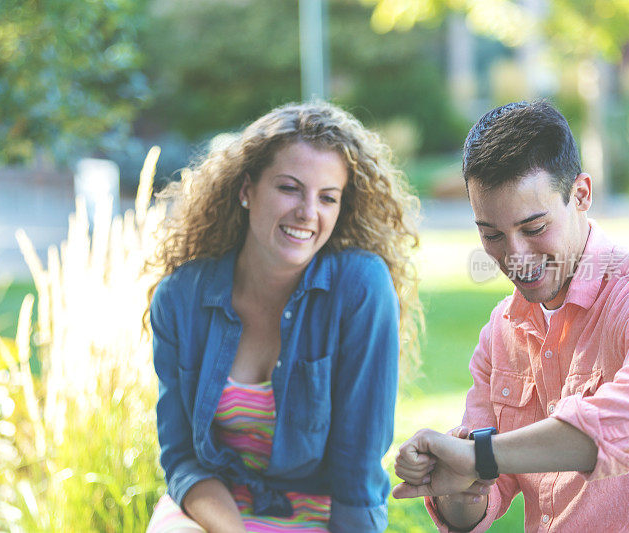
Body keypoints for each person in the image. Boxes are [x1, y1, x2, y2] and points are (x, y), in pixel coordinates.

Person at [393, 100, 629, 532]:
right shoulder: (502, 331)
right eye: (492, 234)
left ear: (581, 194)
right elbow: (475, 506)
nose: (514, 257)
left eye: (534, 228)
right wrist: (459, 483)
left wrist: (482, 456)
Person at [144, 101, 422, 532]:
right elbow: (182, 457)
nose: (308, 212)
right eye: (290, 188)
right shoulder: (180, 299)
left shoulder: (361, 288)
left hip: (319, 510)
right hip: (212, 509)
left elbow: (358, 467)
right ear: (246, 189)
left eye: (327, 197)